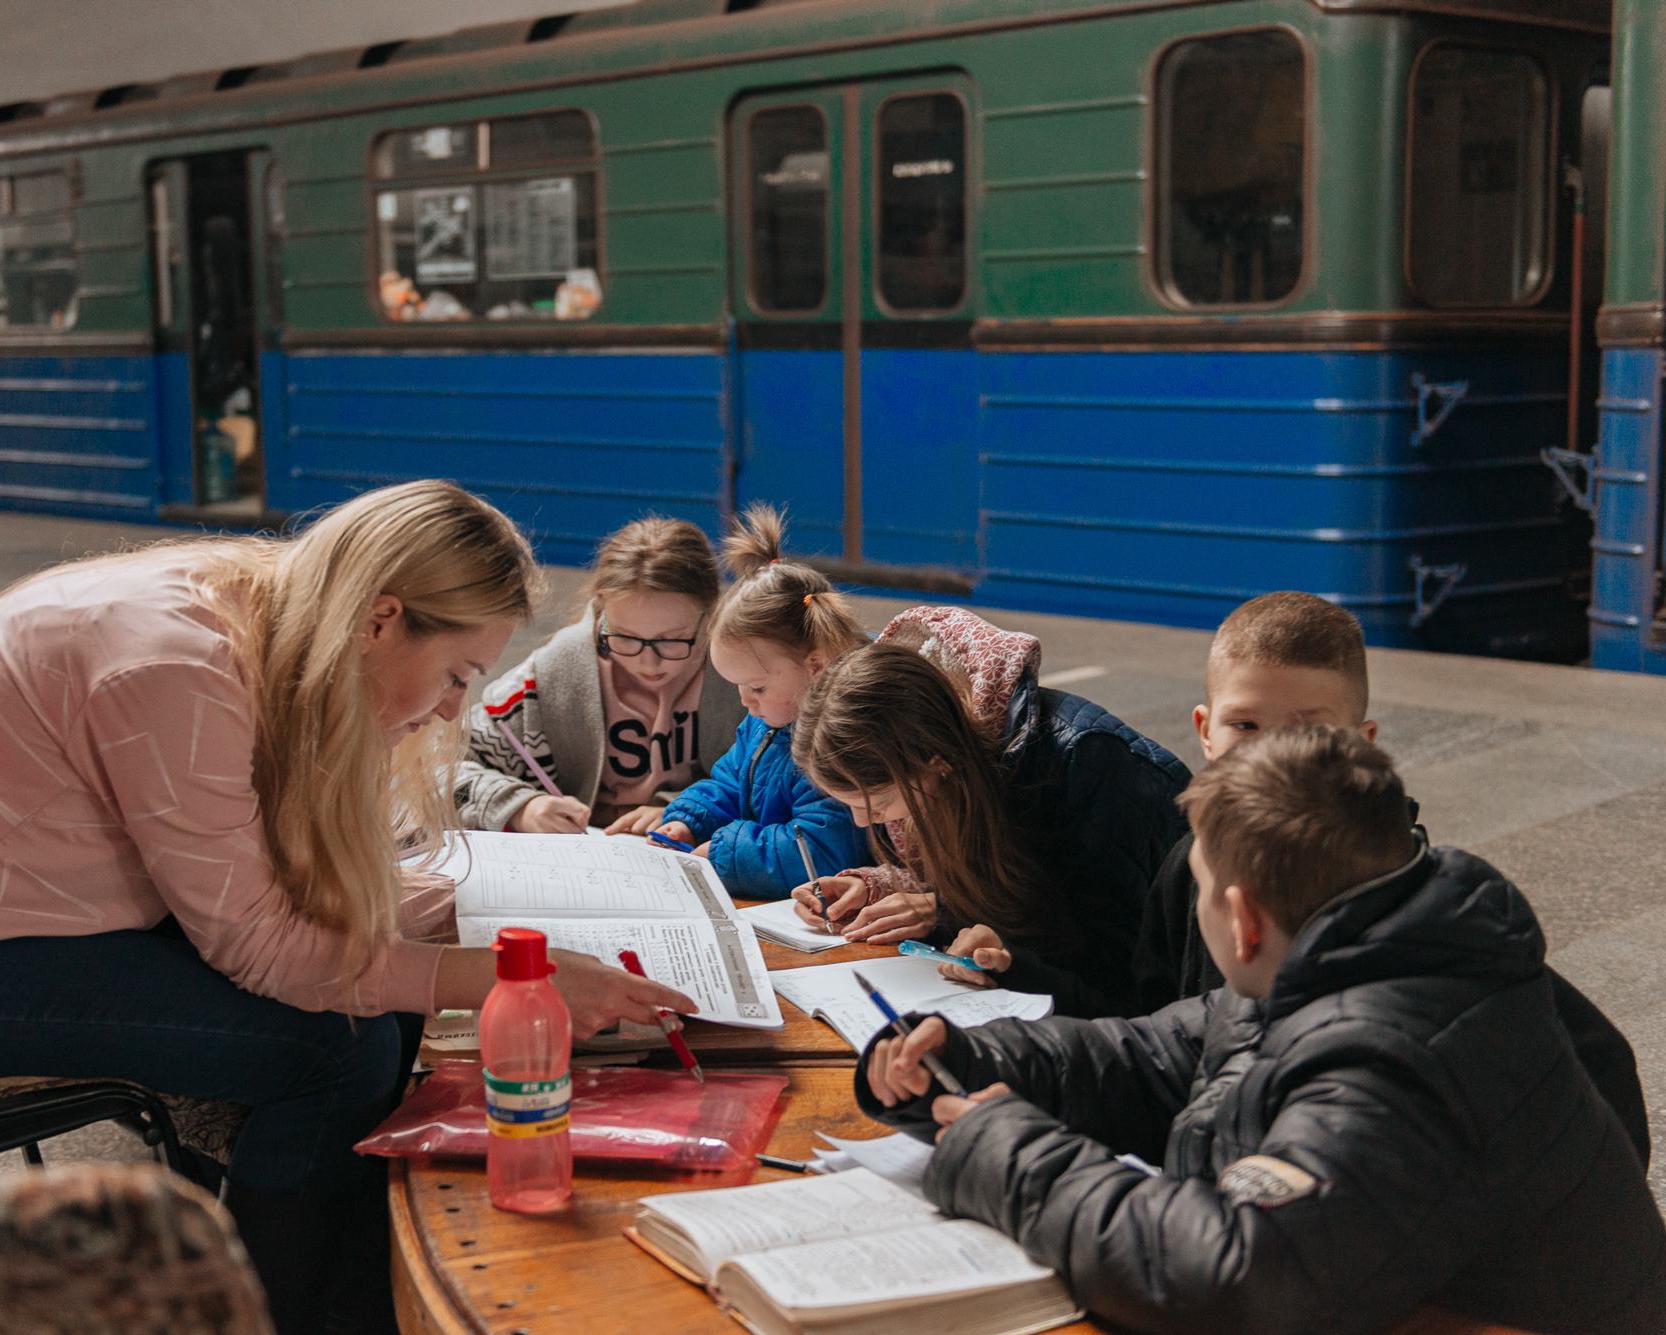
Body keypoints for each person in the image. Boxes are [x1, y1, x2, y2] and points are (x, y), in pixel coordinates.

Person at [0, 480, 692, 1335]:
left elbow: (266, 876)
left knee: (371, 998)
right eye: (459, 674)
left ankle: (327, 1270)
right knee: (331, 1042)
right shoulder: (172, 662)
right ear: (381, 619)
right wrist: (510, 974)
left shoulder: (257, 611)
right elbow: (265, 948)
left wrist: (467, 919)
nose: (455, 710)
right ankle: (289, 1308)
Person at [858, 727, 1666, 1335]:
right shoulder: (1333, 951)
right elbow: (1150, 1055)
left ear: (1241, 921)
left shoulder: (1394, 1061)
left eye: (1201, 890)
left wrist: (1005, 1151)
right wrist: (967, 1054)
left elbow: (1240, 1273)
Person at [1125, 590, 1649, 1163]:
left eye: (1309, 733)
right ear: (1204, 730)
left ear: (1362, 745)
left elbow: (1598, 1063)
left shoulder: (1413, 898)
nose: (1269, 755)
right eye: (1245, 726)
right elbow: (1150, 1021)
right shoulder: (1187, 866)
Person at [789, 606, 1189, 1016]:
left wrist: (1010, 956)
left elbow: (1118, 971)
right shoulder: (949, 767)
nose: (861, 821)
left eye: (874, 803)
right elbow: (998, 887)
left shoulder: (1087, 767)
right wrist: (886, 886)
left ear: (937, 763)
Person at [455, 515, 743, 835]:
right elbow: (440, 773)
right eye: (625, 638)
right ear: (601, 616)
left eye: (670, 640)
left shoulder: (749, 681)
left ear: (711, 617)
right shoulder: (549, 680)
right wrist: (520, 806)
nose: (648, 663)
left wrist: (689, 809)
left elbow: (795, 790)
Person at [640, 505, 872, 897]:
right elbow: (730, 782)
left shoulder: (840, 746)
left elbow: (821, 852)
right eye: (737, 687)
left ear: (815, 665)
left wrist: (726, 854)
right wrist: (690, 820)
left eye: (757, 687)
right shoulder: (767, 723)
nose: (746, 701)